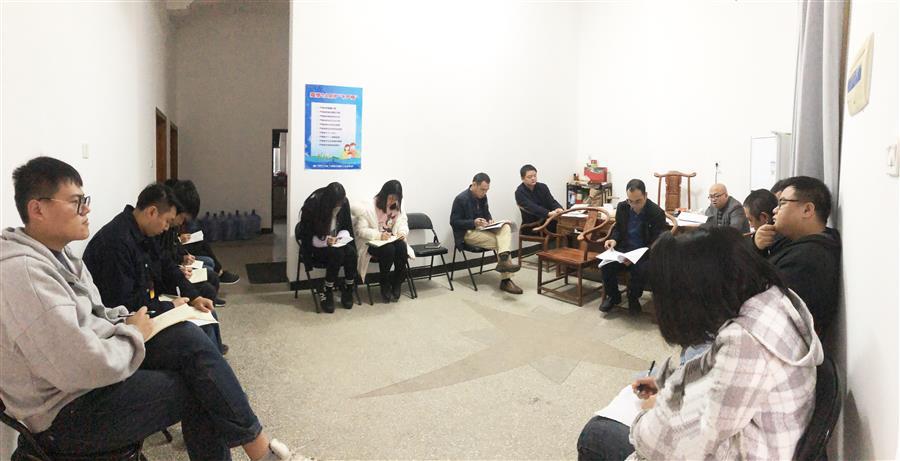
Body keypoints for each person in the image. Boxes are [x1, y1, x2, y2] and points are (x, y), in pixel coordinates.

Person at [1, 156, 305, 460]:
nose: (86, 209)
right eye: (76, 202)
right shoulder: (26, 275)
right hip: (65, 413)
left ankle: (260, 450)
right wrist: (134, 332)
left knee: (188, 337)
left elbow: (100, 313)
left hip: (98, 367)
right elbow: (80, 367)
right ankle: (263, 454)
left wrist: (131, 322)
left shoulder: (60, 255)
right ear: (37, 209)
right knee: (200, 388)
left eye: (85, 200)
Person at [577, 227, 823, 461]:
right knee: (649, 383)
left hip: (749, 449)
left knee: (596, 434)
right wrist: (666, 383)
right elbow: (711, 373)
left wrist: (648, 412)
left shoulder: (745, 343)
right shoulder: (772, 298)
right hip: (762, 436)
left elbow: (670, 443)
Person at [83, 182, 226, 354]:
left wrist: (195, 297)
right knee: (193, 334)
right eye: (167, 221)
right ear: (152, 212)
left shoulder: (143, 232)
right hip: (125, 327)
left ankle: (213, 357)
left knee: (205, 313)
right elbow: (123, 305)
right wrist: (169, 307)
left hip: (148, 304)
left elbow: (167, 266)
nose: (167, 227)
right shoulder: (116, 243)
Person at [753, 176, 841, 340]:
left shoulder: (809, 259)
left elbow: (760, 301)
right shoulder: (797, 242)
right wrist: (758, 247)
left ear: (807, 210)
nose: (774, 210)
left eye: (782, 203)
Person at [599, 179, 668, 314]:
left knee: (640, 269)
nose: (634, 205)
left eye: (638, 201)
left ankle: (633, 297)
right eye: (630, 201)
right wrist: (613, 240)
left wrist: (635, 257)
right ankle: (613, 296)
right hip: (624, 249)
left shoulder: (656, 212)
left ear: (645, 195)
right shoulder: (623, 207)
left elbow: (657, 241)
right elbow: (618, 229)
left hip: (644, 252)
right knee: (606, 264)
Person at [450, 172, 522, 295]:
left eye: (487, 190)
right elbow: (454, 222)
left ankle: (504, 263)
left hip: (482, 230)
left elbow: (486, 213)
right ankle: (506, 280)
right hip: (467, 233)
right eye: (482, 189)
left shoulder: (483, 197)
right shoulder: (461, 199)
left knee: (505, 227)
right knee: (502, 243)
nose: (484, 193)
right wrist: (473, 222)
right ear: (474, 184)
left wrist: (490, 220)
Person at [161, 179, 226, 307]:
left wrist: (182, 260)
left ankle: (210, 297)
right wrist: (179, 267)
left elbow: (166, 259)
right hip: (166, 283)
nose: (181, 223)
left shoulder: (167, 227)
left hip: (174, 272)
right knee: (209, 281)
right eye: (182, 218)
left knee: (210, 271)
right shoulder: (158, 230)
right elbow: (161, 264)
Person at [351, 180, 415, 303]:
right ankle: (384, 281)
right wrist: (379, 235)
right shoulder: (369, 207)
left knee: (401, 246)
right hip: (372, 242)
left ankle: (397, 281)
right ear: (384, 195)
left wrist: (402, 232)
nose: (393, 201)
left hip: (391, 239)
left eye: (396, 198)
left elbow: (403, 222)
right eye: (390, 198)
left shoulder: (399, 206)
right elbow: (360, 231)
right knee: (389, 249)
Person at [298, 182, 358, 313]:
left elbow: (346, 227)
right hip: (317, 247)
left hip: (336, 244)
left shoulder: (343, 203)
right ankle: (327, 289)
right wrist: (326, 240)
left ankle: (348, 287)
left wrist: (340, 237)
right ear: (329, 202)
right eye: (337, 203)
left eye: (341, 202)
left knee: (351, 253)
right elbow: (307, 237)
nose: (339, 206)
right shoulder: (313, 205)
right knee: (337, 253)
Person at [515, 164, 564, 232]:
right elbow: (532, 207)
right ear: (522, 178)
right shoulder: (519, 192)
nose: (533, 178)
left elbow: (552, 201)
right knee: (563, 228)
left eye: (535, 176)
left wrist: (559, 208)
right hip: (533, 224)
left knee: (568, 227)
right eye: (529, 177)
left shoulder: (543, 187)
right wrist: (548, 213)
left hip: (548, 220)